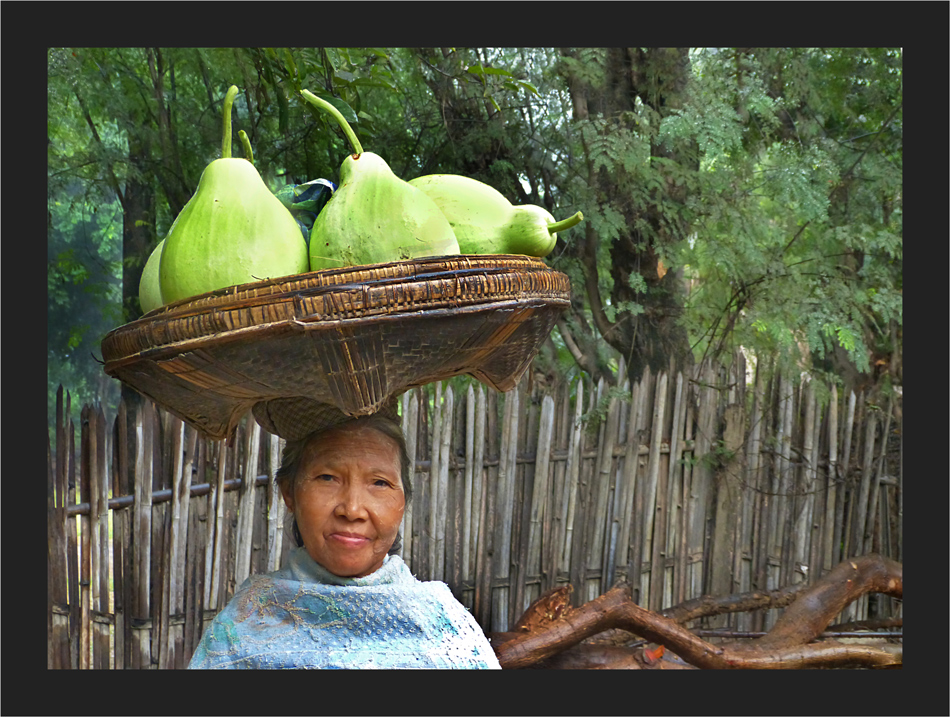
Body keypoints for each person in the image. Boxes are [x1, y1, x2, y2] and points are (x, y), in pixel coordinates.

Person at [187, 408, 501, 669]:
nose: (352, 509)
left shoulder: (444, 626)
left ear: (403, 502)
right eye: (327, 478)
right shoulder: (243, 627)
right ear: (289, 493)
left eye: (379, 483)